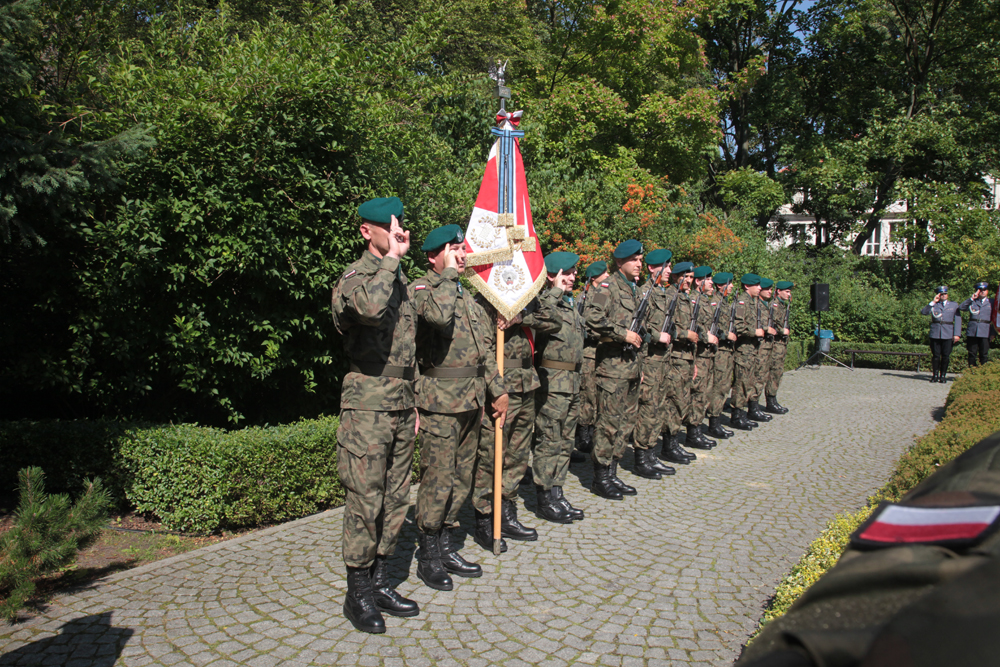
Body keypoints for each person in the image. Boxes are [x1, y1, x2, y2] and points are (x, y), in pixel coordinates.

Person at [330, 196, 419, 633]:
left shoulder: (400, 280)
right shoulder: (356, 278)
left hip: (402, 400)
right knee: (365, 499)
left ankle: (380, 580)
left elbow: (411, 348)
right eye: (392, 226)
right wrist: (390, 263)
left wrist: (415, 400)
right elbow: (367, 310)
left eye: (402, 225)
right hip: (367, 402)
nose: (400, 232)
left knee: (397, 496)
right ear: (367, 231)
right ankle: (357, 592)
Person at [411, 224, 509, 590]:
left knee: (461, 477)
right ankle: (429, 554)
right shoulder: (422, 288)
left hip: (470, 400)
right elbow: (437, 319)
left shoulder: (464, 297)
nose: (462, 254)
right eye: (454, 249)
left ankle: (448, 543)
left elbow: (485, 351)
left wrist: (498, 391)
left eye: (461, 249)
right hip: (439, 403)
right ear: (434, 256)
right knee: (437, 480)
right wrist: (449, 276)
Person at [471, 283, 560, 550]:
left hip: (526, 383)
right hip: (499, 385)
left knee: (518, 455)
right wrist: (494, 387)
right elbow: (482, 350)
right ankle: (485, 518)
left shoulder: (527, 299)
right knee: (491, 454)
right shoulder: (484, 299)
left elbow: (554, 320)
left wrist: (522, 316)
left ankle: (506, 511)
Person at [583, 240, 644, 499]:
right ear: (620, 262)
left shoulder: (635, 290)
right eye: (635, 260)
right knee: (608, 423)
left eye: (641, 260)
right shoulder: (608, 287)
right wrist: (622, 335)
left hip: (631, 368)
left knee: (625, 423)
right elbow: (591, 316)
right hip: (611, 369)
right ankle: (600, 477)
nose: (639, 264)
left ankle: (613, 472)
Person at [532, 252, 587, 523]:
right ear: (552, 275)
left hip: (573, 383)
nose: (573, 277)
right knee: (549, 440)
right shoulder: (545, 302)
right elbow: (541, 319)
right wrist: (554, 290)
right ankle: (544, 497)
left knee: (566, 442)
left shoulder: (570, 305)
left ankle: (557, 491)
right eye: (567, 272)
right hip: (553, 384)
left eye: (575, 272)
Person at [632, 248, 681, 479]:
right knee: (648, 409)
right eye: (666, 267)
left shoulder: (666, 293)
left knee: (659, 407)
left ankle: (652, 454)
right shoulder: (644, 293)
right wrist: (654, 335)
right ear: (652, 268)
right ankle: (641, 458)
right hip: (649, 360)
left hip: (664, 361)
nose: (669, 271)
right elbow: (637, 327)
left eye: (670, 267)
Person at [661, 262, 716, 451]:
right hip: (675, 357)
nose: (689, 281)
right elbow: (666, 325)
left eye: (692, 278)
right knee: (674, 401)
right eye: (686, 277)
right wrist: (685, 335)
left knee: (683, 400)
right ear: (676, 276)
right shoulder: (670, 296)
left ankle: (678, 439)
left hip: (687, 357)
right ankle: (669, 443)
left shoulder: (686, 298)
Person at [573, 261, 608, 462]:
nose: (608, 277)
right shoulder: (589, 296)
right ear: (594, 278)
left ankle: (589, 431)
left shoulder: (599, 294)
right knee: (587, 394)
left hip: (597, 352)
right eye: (604, 274)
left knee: (593, 395)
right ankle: (584, 434)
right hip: (589, 352)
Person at [730, 274, 765, 430]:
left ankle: (743, 413)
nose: (759, 288)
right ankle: (736, 416)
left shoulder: (752, 302)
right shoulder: (742, 303)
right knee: (742, 383)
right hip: (743, 350)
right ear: (747, 286)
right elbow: (738, 327)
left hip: (751, 350)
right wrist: (754, 332)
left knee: (749, 382)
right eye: (756, 285)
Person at [690, 266, 721, 443]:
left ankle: (697, 428)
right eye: (708, 279)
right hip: (699, 355)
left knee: (705, 393)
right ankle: (693, 432)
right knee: (698, 394)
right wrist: (705, 336)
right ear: (698, 281)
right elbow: (692, 325)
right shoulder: (694, 300)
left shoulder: (704, 300)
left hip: (707, 355)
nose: (711, 282)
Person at [706, 273, 737, 439]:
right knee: (718, 387)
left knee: (724, 386)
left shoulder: (725, 303)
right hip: (719, 351)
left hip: (727, 351)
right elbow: (711, 326)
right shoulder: (715, 303)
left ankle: (715, 420)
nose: (731, 286)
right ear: (720, 286)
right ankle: (713, 423)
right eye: (729, 283)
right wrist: (725, 335)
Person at [747, 278, 776, 423]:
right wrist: (765, 329)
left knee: (762, 376)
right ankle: (752, 407)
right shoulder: (755, 304)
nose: (770, 291)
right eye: (767, 289)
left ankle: (755, 405)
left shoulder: (765, 305)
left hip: (766, 346)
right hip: (758, 347)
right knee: (757, 377)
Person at [920, 285, 962, 383]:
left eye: (945, 294)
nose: (943, 295)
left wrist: (957, 334)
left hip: (948, 333)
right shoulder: (934, 305)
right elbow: (924, 312)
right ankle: (935, 375)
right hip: (935, 333)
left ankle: (943, 375)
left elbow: (958, 320)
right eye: (941, 294)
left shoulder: (953, 305)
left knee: (946, 356)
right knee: (935, 355)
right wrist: (933, 302)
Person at [765, 281, 793, 414]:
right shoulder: (774, 306)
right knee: (774, 372)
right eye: (786, 291)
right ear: (778, 291)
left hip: (781, 345)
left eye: (789, 292)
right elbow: (772, 324)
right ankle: (770, 401)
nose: (789, 294)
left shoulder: (782, 306)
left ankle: (773, 398)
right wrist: (782, 331)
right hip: (775, 345)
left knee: (778, 373)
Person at [959, 281, 992, 368]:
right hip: (973, 331)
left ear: (987, 291)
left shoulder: (991, 302)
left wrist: (993, 333)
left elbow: (996, 318)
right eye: (980, 289)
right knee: (971, 353)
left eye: (984, 289)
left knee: (984, 353)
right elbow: (961, 307)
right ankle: (972, 371)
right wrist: (971, 298)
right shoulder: (973, 301)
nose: (982, 291)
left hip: (985, 330)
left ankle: (982, 373)